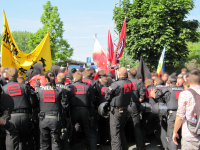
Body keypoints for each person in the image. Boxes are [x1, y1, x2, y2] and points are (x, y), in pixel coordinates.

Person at [2, 67, 35, 150]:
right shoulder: (24, 87)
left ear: (8, 76)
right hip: (25, 118)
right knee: (26, 142)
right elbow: (32, 102)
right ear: (17, 76)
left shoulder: (4, 89)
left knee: (12, 143)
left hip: (11, 119)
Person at [35, 71, 68, 150]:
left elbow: (34, 103)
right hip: (56, 120)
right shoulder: (60, 90)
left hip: (43, 120)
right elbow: (65, 106)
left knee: (44, 144)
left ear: (46, 79)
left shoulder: (40, 90)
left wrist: (36, 87)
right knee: (55, 142)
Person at [105, 67, 133, 150]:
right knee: (121, 130)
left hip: (116, 111)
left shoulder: (115, 84)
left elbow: (107, 96)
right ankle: (124, 148)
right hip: (125, 109)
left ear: (119, 74)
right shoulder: (130, 83)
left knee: (115, 133)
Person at [173, 69, 200, 150]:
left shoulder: (185, 94)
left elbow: (180, 116)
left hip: (190, 135)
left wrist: (175, 132)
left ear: (187, 79)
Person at [68, 71, 97, 150]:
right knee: (89, 131)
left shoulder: (70, 87)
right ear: (82, 78)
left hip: (73, 111)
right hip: (84, 111)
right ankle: (93, 147)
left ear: (74, 78)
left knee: (70, 129)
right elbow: (92, 99)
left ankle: (70, 144)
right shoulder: (87, 87)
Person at [128, 68, 146, 150]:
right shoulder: (139, 82)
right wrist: (136, 102)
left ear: (129, 74)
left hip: (124, 106)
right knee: (136, 126)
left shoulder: (125, 82)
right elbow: (142, 97)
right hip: (134, 106)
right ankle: (140, 146)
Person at [164, 75, 183, 150]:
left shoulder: (168, 90)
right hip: (181, 113)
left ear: (169, 82)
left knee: (171, 133)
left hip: (172, 113)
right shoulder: (182, 90)